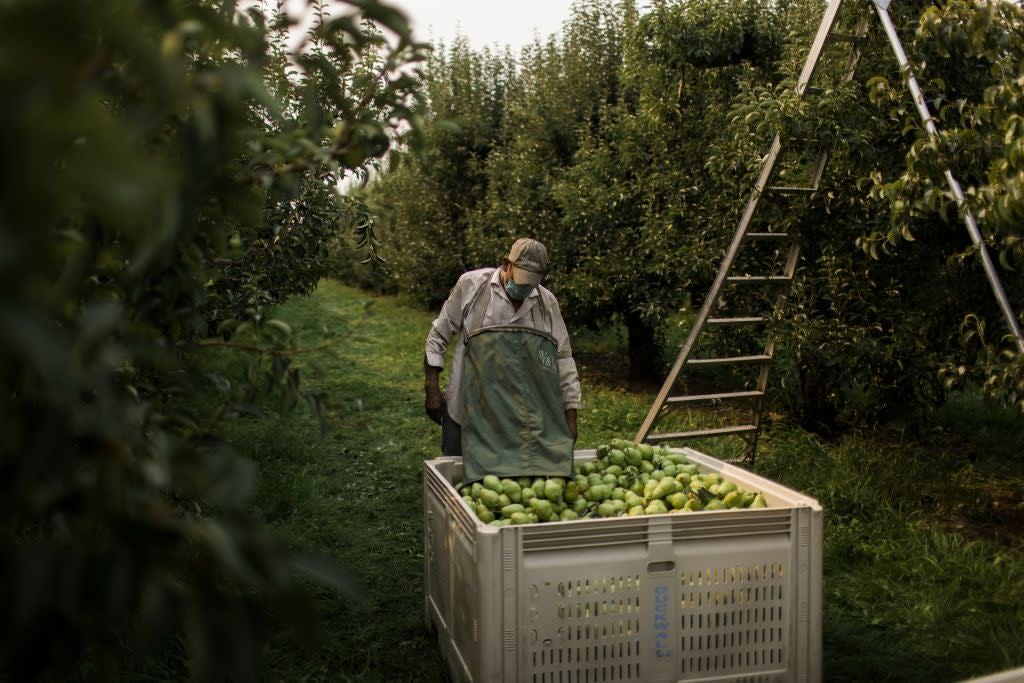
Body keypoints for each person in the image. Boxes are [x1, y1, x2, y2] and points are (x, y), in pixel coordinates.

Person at [423, 238, 582, 482]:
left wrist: (571, 415)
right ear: (506, 264)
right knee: (457, 480)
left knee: (505, 486)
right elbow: (438, 335)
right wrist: (431, 389)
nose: (525, 290)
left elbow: (563, 359)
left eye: (531, 284)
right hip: (467, 409)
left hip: (516, 419)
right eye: (521, 282)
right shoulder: (472, 285)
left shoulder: (546, 303)